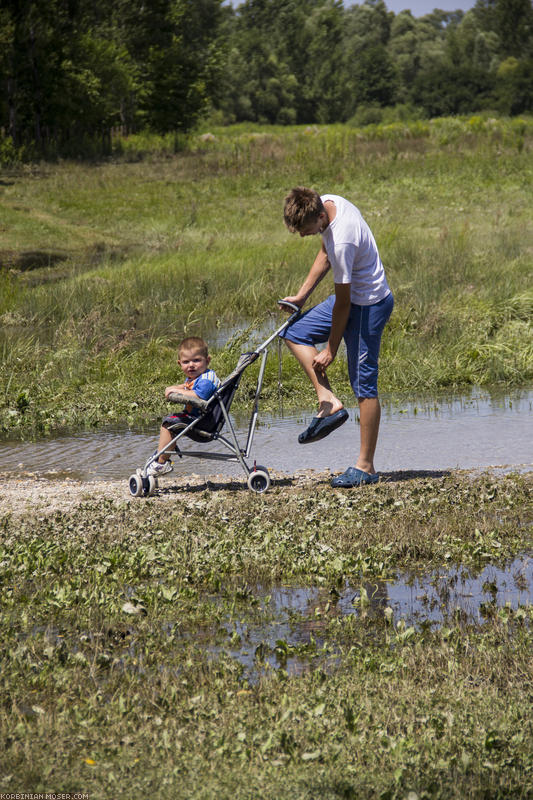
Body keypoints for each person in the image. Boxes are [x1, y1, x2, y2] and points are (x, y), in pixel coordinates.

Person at [279, 187, 393, 488]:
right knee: (295, 332)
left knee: (364, 384)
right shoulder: (329, 203)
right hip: (350, 299)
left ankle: (366, 467)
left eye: (306, 230)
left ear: (319, 216)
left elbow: (344, 303)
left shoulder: (343, 238)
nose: (304, 236)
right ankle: (328, 400)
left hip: (369, 305)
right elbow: (324, 251)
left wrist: (330, 348)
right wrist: (302, 296)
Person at [147, 336, 221, 476]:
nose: (191, 365)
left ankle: (161, 463)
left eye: (196, 360)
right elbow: (188, 386)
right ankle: (161, 457)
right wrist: (176, 387)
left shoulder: (206, 381)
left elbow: (198, 396)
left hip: (204, 422)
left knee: (169, 424)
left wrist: (177, 391)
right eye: (186, 362)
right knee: (173, 422)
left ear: (208, 360)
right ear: (179, 364)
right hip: (199, 418)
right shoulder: (200, 376)